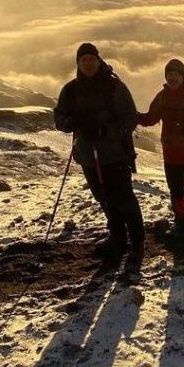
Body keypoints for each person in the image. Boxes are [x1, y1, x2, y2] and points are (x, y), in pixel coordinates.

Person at [54, 43, 144, 266]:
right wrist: (74, 123)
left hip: (115, 155)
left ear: (99, 60)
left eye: (91, 59)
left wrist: (105, 130)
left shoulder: (114, 87)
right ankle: (118, 239)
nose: (88, 63)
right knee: (103, 198)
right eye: (83, 59)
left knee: (124, 199)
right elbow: (60, 119)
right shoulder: (71, 90)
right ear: (78, 63)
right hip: (88, 157)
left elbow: (130, 117)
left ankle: (137, 244)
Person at [138, 58, 184, 246]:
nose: (172, 78)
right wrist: (131, 116)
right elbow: (150, 118)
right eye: (169, 74)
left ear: (183, 76)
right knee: (177, 192)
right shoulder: (163, 97)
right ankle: (182, 226)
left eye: (176, 74)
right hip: (172, 156)